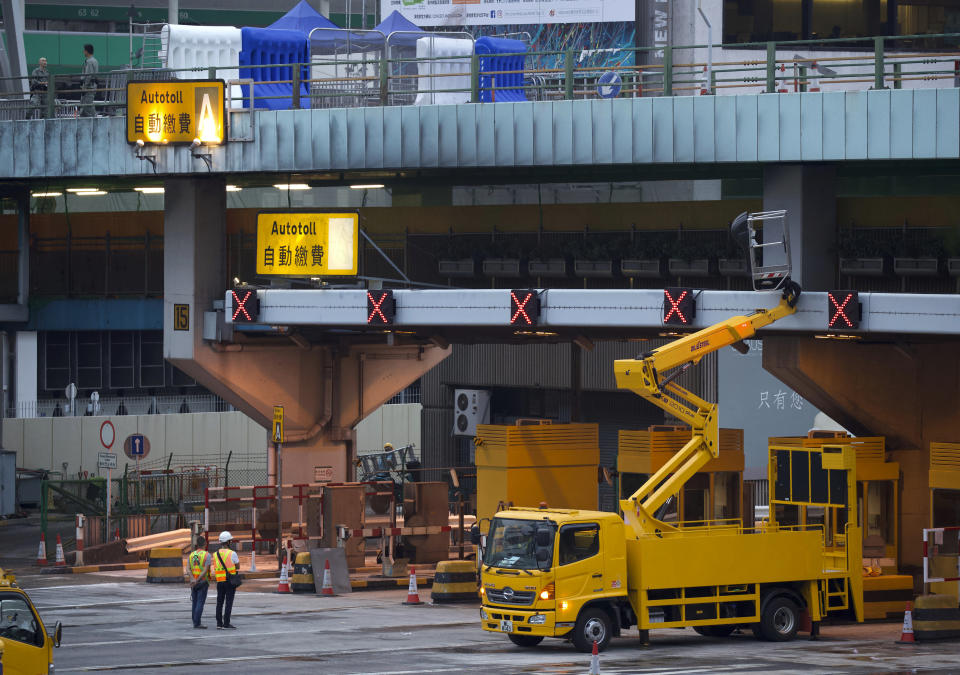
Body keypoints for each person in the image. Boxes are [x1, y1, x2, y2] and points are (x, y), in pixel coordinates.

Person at [212, 530, 240, 629]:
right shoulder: (232, 553)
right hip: (230, 582)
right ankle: (226, 623)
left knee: (219, 602)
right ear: (228, 542)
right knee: (228, 602)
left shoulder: (215, 554)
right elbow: (238, 566)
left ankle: (219, 623)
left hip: (220, 581)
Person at [188, 536, 212, 629]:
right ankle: (197, 623)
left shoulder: (192, 554)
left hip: (193, 582)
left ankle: (195, 621)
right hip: (202, 582)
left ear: (196, 544)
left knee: (194, 602)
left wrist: (192, 579)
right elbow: (205, 570)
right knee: (200, 603)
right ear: (205, 544)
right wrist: (197, 580)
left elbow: (188, 569)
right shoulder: (207, 555)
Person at [80, 44, 99, 117]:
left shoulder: (89, 62)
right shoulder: (95, 60)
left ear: (87, 51)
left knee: (87, 104)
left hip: (88, 87)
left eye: (84, 50)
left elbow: (88, 76)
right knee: (85, 104)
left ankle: (96, 119)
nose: (83, 52)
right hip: (92, 86)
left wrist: (84, 87)